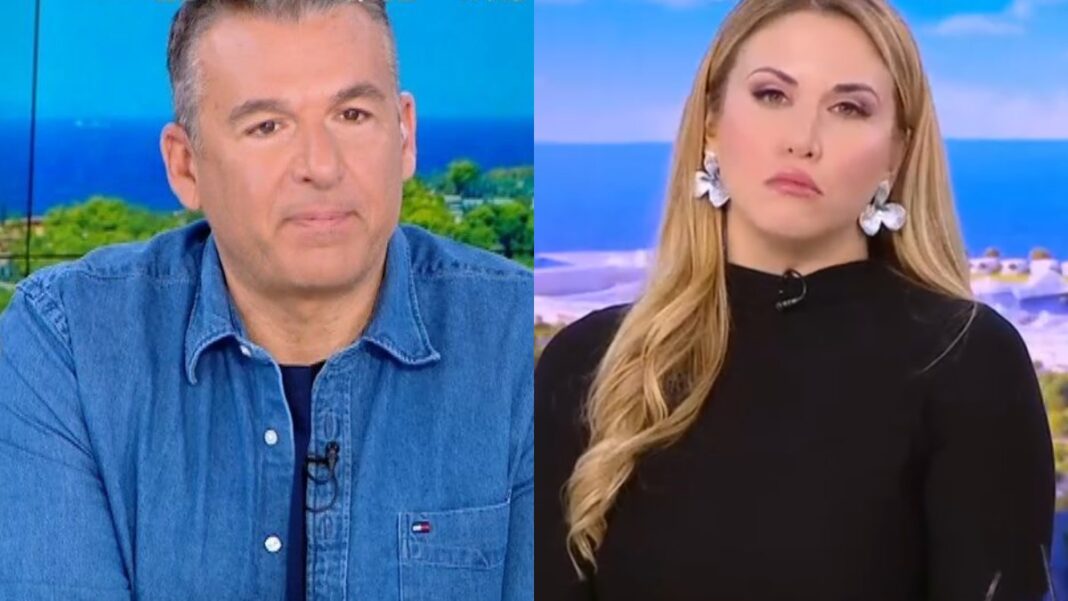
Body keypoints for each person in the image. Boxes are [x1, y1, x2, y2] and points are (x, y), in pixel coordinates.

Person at [0, 1, 532, 600]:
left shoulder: (513, 344)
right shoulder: (67, 345)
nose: (321, 167)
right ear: (186, 166)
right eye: (267, 127)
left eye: (352, 114)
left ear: (405, 134)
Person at [535, 0, 1055, 599]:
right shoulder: (587, 366)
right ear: (711, 121)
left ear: (897, 152)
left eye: (848, 108)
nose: (802, 141)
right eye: (772, 95)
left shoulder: (968, 361)